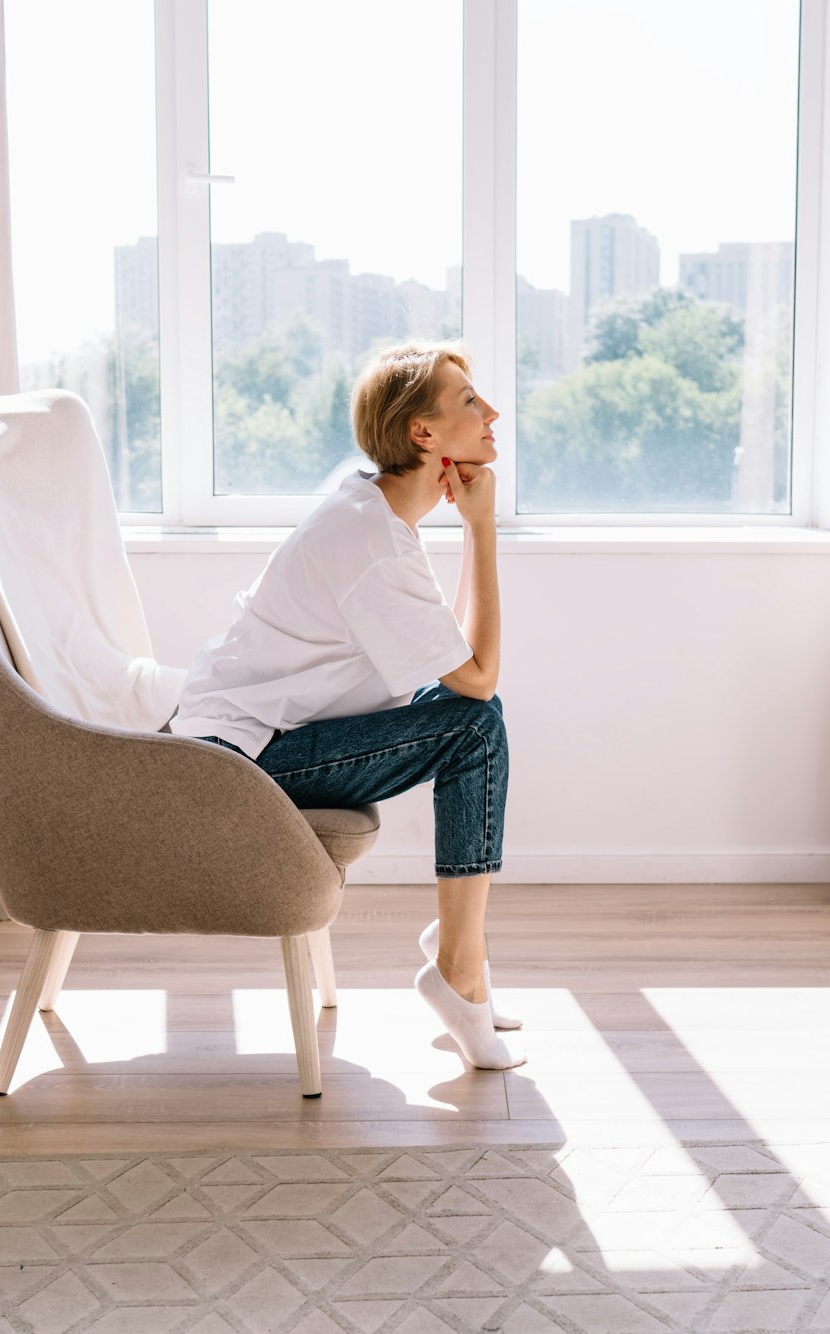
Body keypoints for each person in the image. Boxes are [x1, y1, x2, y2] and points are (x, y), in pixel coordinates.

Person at [167, 341, 522, 1070]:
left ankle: (463, 952)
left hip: (262, 735)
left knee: (467, 718)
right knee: (476, 727)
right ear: (424, 434)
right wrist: (482, 530)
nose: (492, 413)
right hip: (238, 761)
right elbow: (478, 678)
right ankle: (460, 965)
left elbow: (451, 662)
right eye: (468, 402)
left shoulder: (373, 508)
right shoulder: (370, 542)